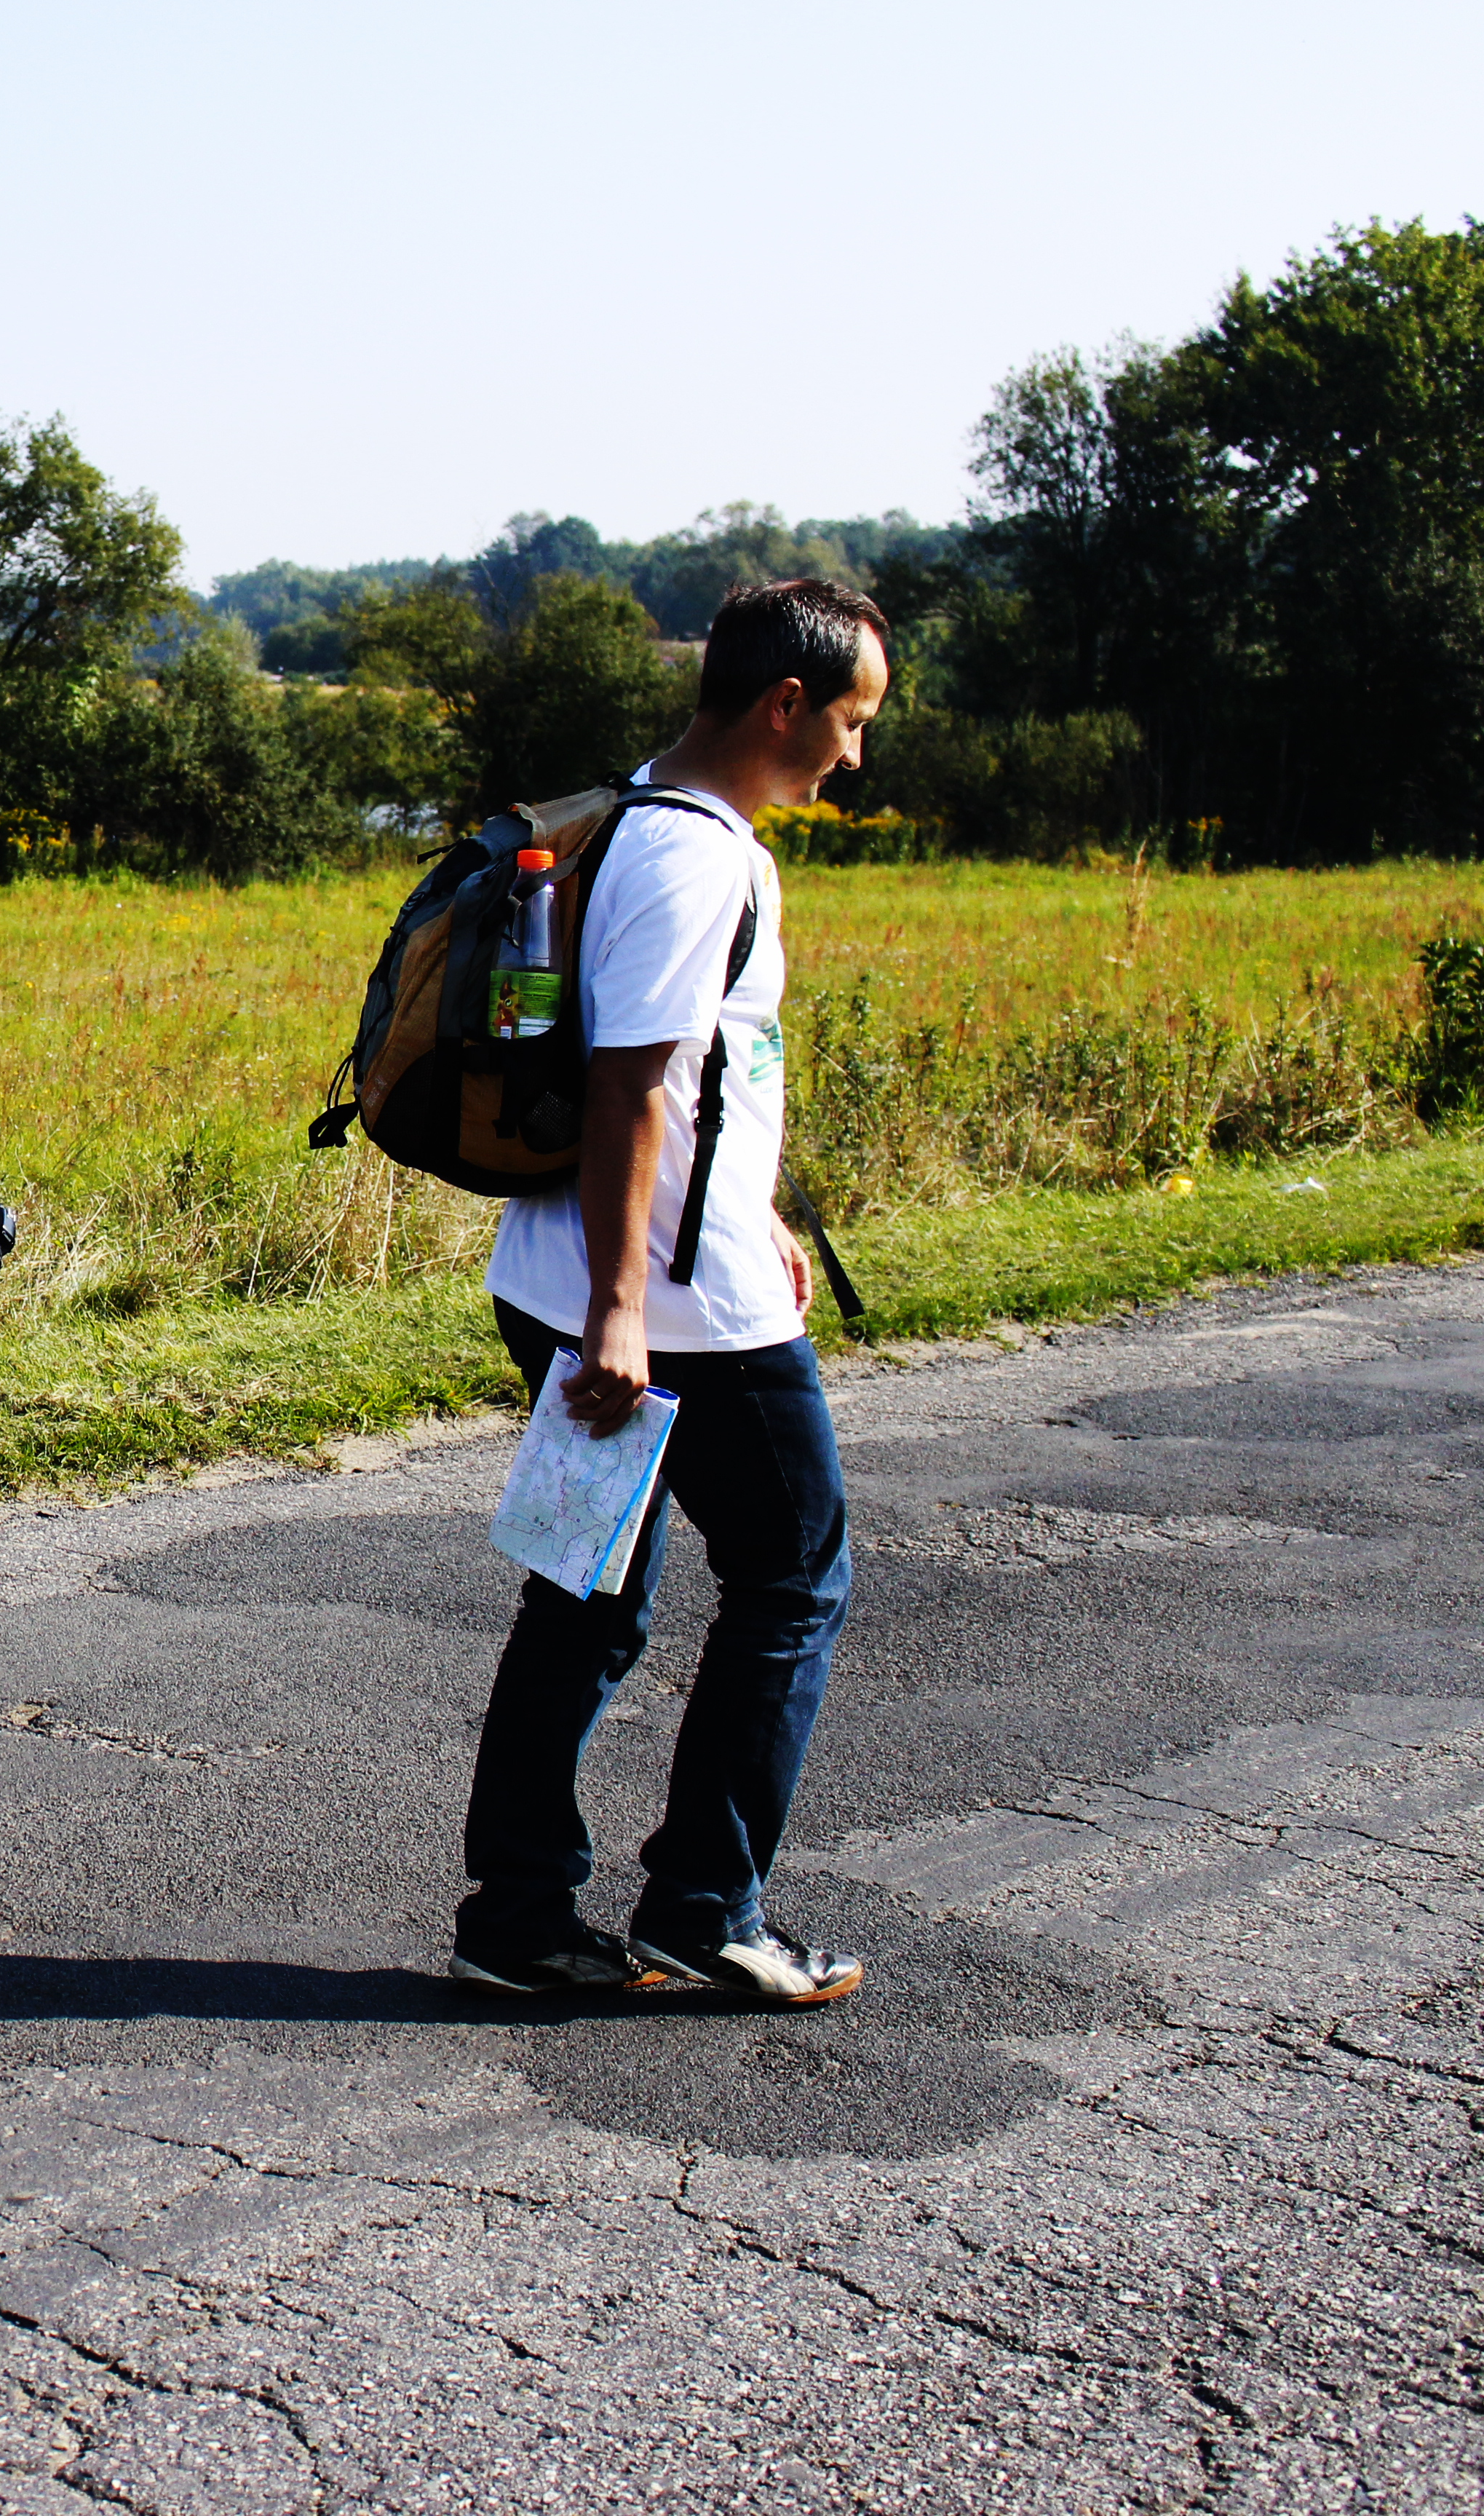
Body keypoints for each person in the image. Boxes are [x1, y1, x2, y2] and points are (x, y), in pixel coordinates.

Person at [449, 580, 887, 2008]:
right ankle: (707, 1904)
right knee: (793, 1578)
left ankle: (515, 1920)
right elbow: (631, 1081)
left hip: (576, 1275)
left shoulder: (633, 817)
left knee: (586, 1600)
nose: (853, 754)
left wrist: (756, 1211)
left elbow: (696, 1086)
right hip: (669, 1318)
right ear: (784, 704)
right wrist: (625, 1310)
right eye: (852, 720)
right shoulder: (705, 863)